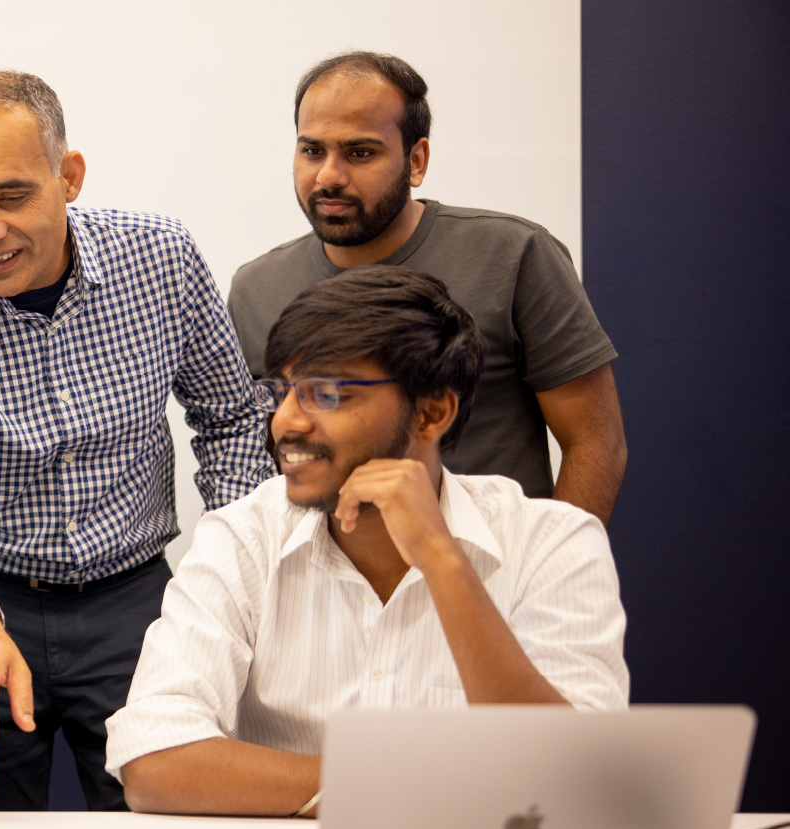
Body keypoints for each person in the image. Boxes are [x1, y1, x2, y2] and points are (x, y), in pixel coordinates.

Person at [0, 69, 274, 812]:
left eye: (10, 195)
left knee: (161, 817)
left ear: (70, 177)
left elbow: (233, 418)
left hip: (136, 602)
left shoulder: (162, 260)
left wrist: (229, 574)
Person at [106, 265, 629, 817]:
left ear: (432, 412)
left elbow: (577, 777)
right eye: (280, 392)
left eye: (325, 394)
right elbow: (153, 761)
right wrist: (400, 789)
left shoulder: (553, 543)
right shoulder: (242, 536)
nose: (284, 422)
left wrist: (443, 562)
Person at [227, 51, 626, 524]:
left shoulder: (513, 255)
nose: (328, 176)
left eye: (360, 153)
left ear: (416, 160)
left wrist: (551, 574)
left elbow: (597, 442)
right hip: (327, 585)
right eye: (312, 150)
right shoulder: (256, 289)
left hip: (489, 577)